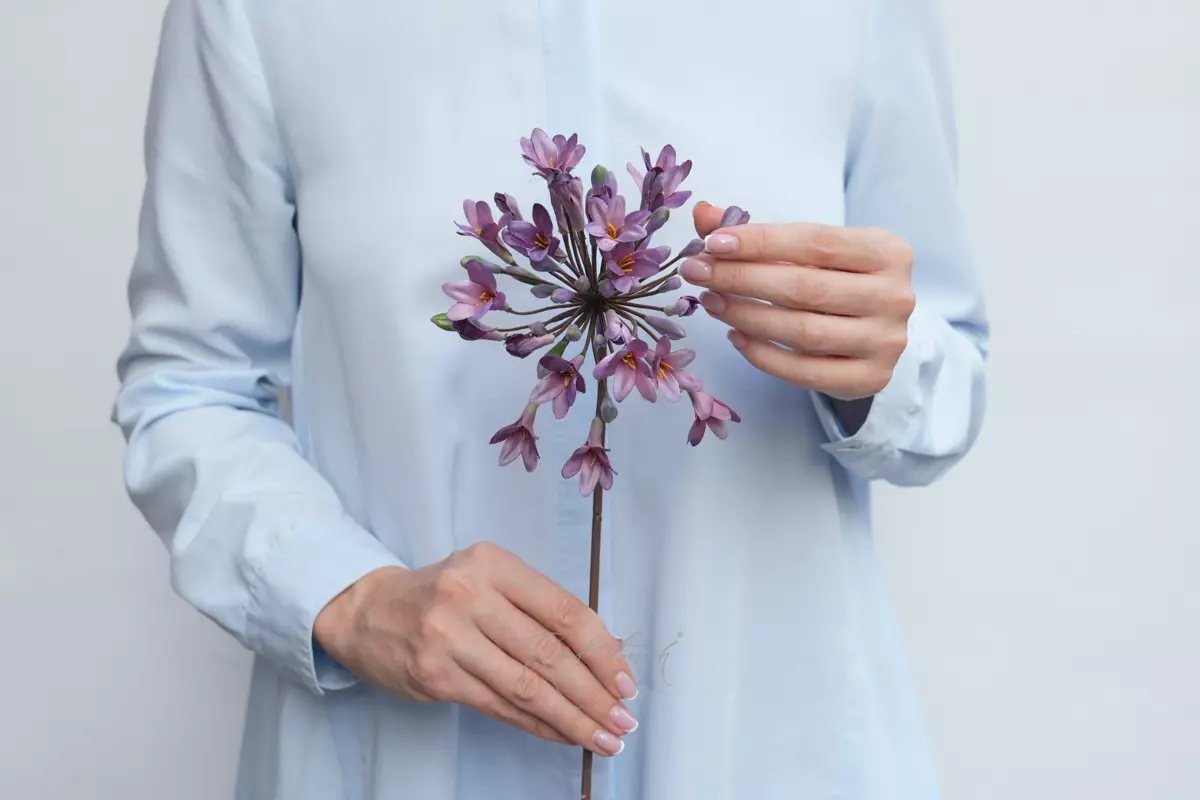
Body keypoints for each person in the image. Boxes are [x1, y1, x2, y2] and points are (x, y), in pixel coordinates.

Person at [111, 0, 987, 797]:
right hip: (403, 754)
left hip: (768, 741)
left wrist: (881, 358)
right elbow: (188, 383)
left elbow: (949, 376)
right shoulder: (258, 15)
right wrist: (346, 595)